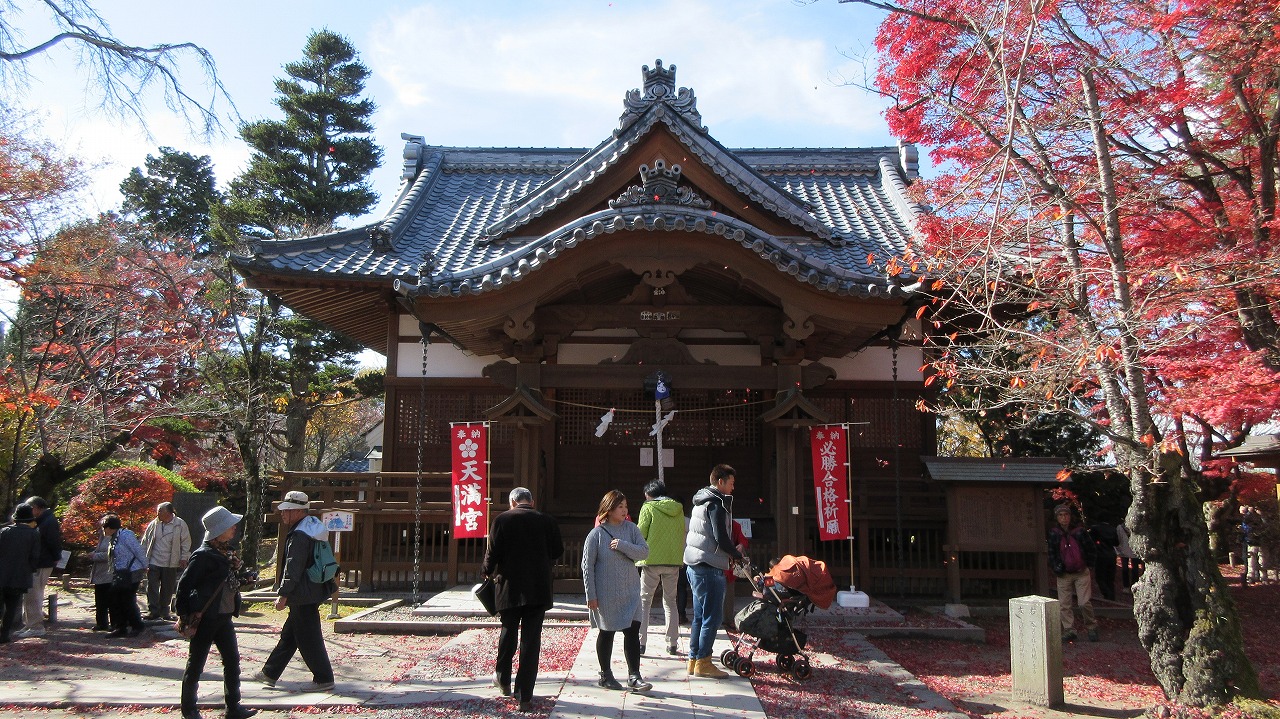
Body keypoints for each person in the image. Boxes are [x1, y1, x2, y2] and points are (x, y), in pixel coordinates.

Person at [483, 487, 563, 713]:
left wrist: (486, 571)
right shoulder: (547, 521)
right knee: (531, 640)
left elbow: (493, 552)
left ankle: (503, 679)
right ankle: (525, 694)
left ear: (512, 502)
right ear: (532, 501)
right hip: (538, 588)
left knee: (508, 632)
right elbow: (557, 550)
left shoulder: (502, 520)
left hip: (510, 586)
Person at [176, 506, 258, 719]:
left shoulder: (227, 553)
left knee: (232, 661)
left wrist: (245, 579)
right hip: (205, 617)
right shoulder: (203, 556)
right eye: (230, 525)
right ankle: (189, 709)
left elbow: (226, 583)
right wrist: (184, 615)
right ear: (219, 530)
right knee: (196, 664)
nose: (234, 528)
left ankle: (233, 707)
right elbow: (184, 586)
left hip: (224, 615)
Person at [256, 491, 335, 692]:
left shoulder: (299, 534)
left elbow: (293, 566)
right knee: (290, 635)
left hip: (302, 592)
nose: (282, 514)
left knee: (309, 638)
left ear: (297, 511)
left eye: (286, 510)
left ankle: (324, 678)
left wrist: (283, 593)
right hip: (314, 588)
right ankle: (269, 673)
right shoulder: (313, 527)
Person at [583, 490, 653, 693]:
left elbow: (644, 551)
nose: (624, 510)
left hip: (631, 590)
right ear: (609, 508)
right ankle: (605, 674)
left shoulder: (631, 529)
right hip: (606, 593)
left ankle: (635, 676)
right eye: (620, 507)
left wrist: (623, 546)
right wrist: (591, 595)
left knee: (632, 631)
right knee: (607, 632)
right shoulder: (596, 534)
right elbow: (587, 566)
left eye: (625, 506)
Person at [683, 464, 744, 678]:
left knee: (700, 616)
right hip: (710, 565)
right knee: (712, 617)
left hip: (695, 564)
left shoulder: (700, 501)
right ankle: (704, 661)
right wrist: (737, 555)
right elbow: (721, 537)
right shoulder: (716, 503)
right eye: (731, 483)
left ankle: (694, 659)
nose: (732, 488)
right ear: (720, 482)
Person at [635, 479, 684, 656]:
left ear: (649, 495)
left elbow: (641, 532)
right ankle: (672, 643)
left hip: (651, 560)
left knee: (644, 601)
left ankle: (641, 642)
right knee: (670, 602)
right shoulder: (678, 508)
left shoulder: (648, 507)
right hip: (673, 560)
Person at [1047, 504, 1098, 642]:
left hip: (1081, 571)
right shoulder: (1054, 533)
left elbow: (1090, 548)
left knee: (1084, 602)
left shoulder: (1079, 531)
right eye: (1061, 515)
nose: (1064, 518)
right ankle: (1069, 629)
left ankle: (1091, 626)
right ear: (1057, 518)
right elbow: (1051, 552)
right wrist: (1055, 567)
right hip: (1063, 573)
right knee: (1064, 604)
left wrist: (1089, 565)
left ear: (1070, 516)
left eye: (1066, 515)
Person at [16, 496, 61, 638]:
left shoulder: (48, 521)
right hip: (38, 562)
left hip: (42, 562)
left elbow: (54, 542)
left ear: (37, 507)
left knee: (34, 594)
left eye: (31, 508)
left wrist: (55, 558)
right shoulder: (43, 520)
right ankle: (29, 624)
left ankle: (36, 625)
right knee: (29, 594)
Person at [141, 502, 192, 620]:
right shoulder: (154, 524)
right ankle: (153, 610)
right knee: (152, 586)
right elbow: (145, 542)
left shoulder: (180, 524)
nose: (157, 513)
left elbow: (186, 542)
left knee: (167, 588)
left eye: (160, 511)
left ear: (169, 513)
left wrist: (184, 557)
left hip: (171, 561)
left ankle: (164, 611)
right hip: (154, 560)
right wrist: (143, 559)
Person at [0, 504, 41, 643]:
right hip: (20, 575)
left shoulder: (4, 531)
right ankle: (4, 635)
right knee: (11, 607)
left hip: (2, 573)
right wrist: (31, 569)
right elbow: (34, 557)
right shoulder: (33, 534)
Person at [102, 513, 148, 637]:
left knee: (127, 599)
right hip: (121, 571)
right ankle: (120, 626)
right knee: (116, 599)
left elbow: (138, 550)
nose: (103, 530)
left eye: (104, 527)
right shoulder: (114, 538)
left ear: (110, 527)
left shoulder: (125, 535)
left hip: (132, 571)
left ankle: (137, 625)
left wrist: (145, 565)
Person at [88, 523, 118, 631]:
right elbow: (99, 549)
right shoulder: (102, 536)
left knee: (111, 601)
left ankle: (115, 623)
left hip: (109, 573)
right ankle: (101, 623)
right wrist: (93, 553)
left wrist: (95, 556)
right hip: (99, 573)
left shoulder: (115, 538)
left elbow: (110, 554)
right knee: (100, 601)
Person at [722, 519, 749, 630]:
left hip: (728, 565)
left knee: (728, 594)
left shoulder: (735, 525)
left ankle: (727, 620)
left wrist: (741, 545)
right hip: (715, 563)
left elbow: (743, 540)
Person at [1088, 521, 1119, 601]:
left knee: (1100, 577)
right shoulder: (1112, 529)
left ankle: (1106, 593)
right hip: (1111, 554)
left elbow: (1090, 540)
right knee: (1110, 577)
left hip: (1100, 554)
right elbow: (1116, 543)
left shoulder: (1095, 528)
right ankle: (1111, 595)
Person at [1115, 522, 1142, 592]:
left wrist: (1118, 549)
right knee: (1135, 569)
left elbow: (1118, 539)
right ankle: (1133, 585)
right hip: (1134, 551)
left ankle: (1126, 586)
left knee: (1125, 569)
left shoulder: (1120, 527)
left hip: (1124, 550)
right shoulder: (1138, 526)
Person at [1241, 505, 1264, 586]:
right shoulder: (1258, 518)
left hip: (1253, 541)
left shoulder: (1249, 518)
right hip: (1254, 541)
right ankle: (1259, 577)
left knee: (1253, 561)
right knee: (1258, 560)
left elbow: (1244, 529)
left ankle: (1253, 577)